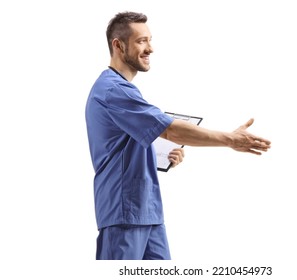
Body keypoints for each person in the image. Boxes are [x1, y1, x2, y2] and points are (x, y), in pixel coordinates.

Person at [85, 11, 271, 260]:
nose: (150, 48)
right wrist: (229, 139)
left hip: (148, 210)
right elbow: (170, 128)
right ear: (118, 45)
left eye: (150, 40)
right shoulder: (112, 90)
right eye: (141, 41)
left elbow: (135, 141)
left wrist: (161, 156)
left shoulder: (125, 90)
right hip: (124, 214)